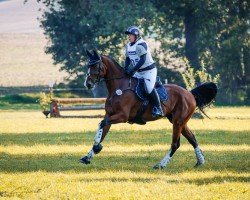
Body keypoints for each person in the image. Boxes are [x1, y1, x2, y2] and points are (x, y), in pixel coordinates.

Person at [124, 26, 164, 117]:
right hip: (138, 71)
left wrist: (133, 70)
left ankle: (158, 108)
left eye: (130, 35)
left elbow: (142, 60)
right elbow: (127, 59)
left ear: (136, 36)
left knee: (149, 89)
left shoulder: (141, 44)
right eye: (128, 35)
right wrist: (125, 68)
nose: (129, 37)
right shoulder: (128, 46)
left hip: (148, 71)